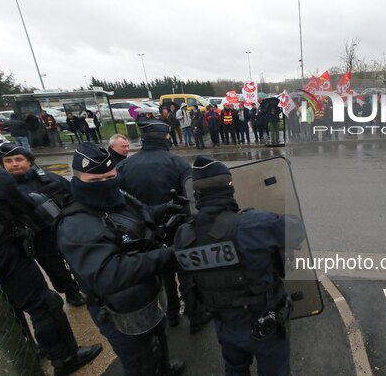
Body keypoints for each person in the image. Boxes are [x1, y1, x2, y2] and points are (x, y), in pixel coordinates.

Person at [56, 143, 185, 376]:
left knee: (159, 338)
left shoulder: (114, 197)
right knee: (140, 362)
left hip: (147, 295)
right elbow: (110, 273)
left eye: (110, 176)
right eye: (95, 180)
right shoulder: (77, 225)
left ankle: (165, 369)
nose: (105, 183)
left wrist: (165, 209)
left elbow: (133, 217)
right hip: (120, 311)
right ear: (77, 180)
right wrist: (168, 255)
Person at [175, 156, 306, 375]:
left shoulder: (184, 235)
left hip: (225, 326)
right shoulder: (252, 224)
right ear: (229, 186)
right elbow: (296, 229)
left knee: (235, 370)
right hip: (266, 327)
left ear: (197, 193)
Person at [0, 167, 102, 376]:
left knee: (10, 309)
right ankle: (66, 358)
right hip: (6, 254)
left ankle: (31, 348)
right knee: (44, 305)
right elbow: (24, 205)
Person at [117, 118, 210, 331]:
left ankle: (171, 314)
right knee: (186, 271)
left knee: (161, 272)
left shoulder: (124, 165)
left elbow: (121, 202)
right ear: (166, 136)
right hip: (177, 226)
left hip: (144, 231)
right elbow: (191, 197)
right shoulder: (176, 162)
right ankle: (195, 316)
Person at [0, 143, 87, 306]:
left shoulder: (50, 178)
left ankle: (89, 286)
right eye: (8, 161)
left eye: (19, 159)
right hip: (37, 237)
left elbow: (74, 196)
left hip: (65, 227)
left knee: (80, 259)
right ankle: (70, 291)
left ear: (29, 161)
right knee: (55, 268)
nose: (14, 164)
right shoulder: (3, 189)